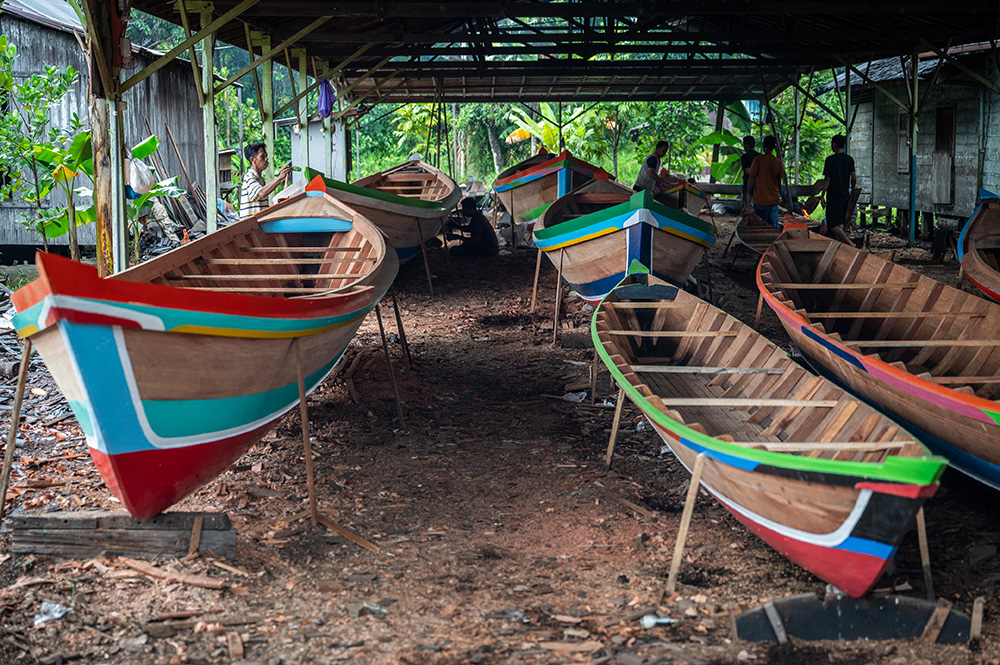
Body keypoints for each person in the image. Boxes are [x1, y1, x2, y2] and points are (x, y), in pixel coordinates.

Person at [820, 135, 857, 247]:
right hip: (844, 194)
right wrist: (852, 187)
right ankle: (839, 247)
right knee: (840, 222)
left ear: (834, 144)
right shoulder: (849, 159)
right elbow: (854, 177)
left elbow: (827, 179)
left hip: (833, 195)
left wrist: (822, 195)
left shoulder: (830, 160)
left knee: (831, 223)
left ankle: (849, 243)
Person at [239, 142, 292, 219]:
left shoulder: (260, 179)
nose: (266, 159)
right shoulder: (249, 177)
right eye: (262, 156)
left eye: (266, 156)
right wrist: (280, 177)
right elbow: (261, 193)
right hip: (249, 227)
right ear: (252, 159)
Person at [744, 135, 785, 227]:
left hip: (761, 199)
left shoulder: (758, 160)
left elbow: (752, 177)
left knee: (760, 225)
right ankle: (773, 240)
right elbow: (779, 181)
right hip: (774, 199)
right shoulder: (778, 162)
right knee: (774, 225)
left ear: (764, 146)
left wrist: (748, 193)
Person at [740, 136, 759, 202]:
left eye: (744, 144)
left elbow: (747, 171)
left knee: (747, 207)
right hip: (759, 186)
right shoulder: (759, 156)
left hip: (747, 185)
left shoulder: (744, 157)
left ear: (747, 145)